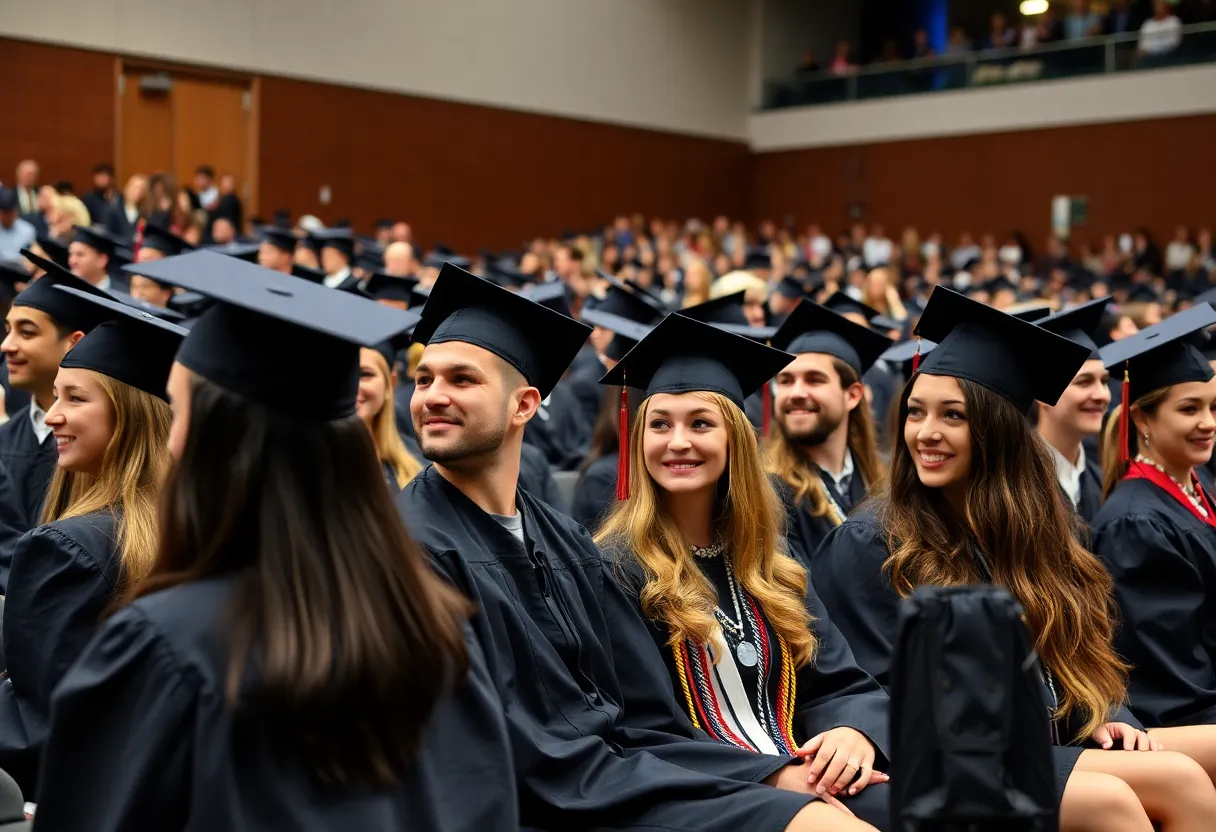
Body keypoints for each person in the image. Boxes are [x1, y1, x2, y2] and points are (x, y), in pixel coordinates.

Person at [34, 250, 517, 831]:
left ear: (217, 442)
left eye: (180, 412)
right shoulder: (435, 629)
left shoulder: (165, 646)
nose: (171, 442)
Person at [397, 264, 872, 831]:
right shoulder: (416, 548)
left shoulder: (561, 540)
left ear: (524, 405)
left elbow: (619, 721)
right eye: (424, 380)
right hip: (556, 799)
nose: (433, 396)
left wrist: (849, 731)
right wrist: (769, 784)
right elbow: (558, 742)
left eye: (461, 379)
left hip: (620, 777)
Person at [814, 287, 1216, 832]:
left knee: (1183, 772)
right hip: (956, 758)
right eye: (915, 412)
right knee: (1169, 782)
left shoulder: (1032, 529)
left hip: (1048, 738)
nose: (926, 433)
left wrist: (1109, 714)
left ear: (998, 430)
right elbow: (873, 690)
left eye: (952, 415)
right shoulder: (875, 542)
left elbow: (1074, 652)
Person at [595, 314, 892, 827]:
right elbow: (641, 730)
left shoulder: (772, 562)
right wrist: (775, 776)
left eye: (700, 424)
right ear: (637, 440)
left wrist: (853, 732)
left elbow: (839, 682)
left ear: (735, 439)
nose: (678, 441)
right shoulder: (615, 568)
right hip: (701, 794)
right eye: (660, 424)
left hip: (800, 767)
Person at [0, 287, 184, 795]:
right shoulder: (196, 532)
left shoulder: (67, 549)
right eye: (57, 395)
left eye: (76, 398)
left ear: (132, 416)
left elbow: (40, 722)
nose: (52, 415)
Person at [1092, 304, 1216, 733]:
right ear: (1142, 418)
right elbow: (1173, 682)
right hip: (1184, 727)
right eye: (1189, 409)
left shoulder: (1196, 491)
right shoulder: (1135, 525)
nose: (1208, 423)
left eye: (1214, 408)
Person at [0, 250, 111, 575]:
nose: (6, 345)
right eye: (7, 330)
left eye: (27, 332)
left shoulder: (101, 452)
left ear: (74, 343)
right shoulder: (6, 436)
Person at [766, 302, 892, 565]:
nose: (796, 392)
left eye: (814, 379)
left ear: (853, 395)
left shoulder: (887, 479)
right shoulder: (767, 493)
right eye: (786, 381)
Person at [1034, 299, 1111, 528]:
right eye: (1084, 382)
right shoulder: (1012, 482)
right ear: (1043, 394)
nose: (1101, 395)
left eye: (1104, 381)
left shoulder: (1103, 481)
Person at [357, 343, 422, 493]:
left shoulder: (419, 461)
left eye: (365, 374)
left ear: (391, 383)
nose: (351, 386)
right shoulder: (308, 464)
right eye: (340, 374)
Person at [0, 190, 35, 262]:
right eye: (4, 213)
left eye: (9, 212)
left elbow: (34, 254)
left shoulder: (28, 231)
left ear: (16, 210)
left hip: (21, 267)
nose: (6, 217)